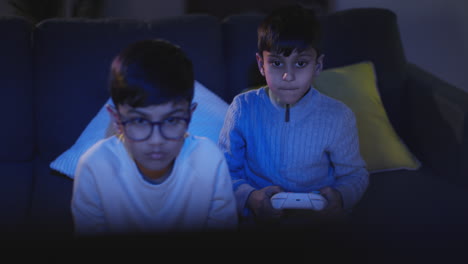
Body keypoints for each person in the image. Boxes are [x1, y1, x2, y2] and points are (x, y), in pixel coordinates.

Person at [218, 5, 369, 227]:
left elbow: (355, 175)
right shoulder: (243, 109)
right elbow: (224, 170)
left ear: (317, 66)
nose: (288, 76)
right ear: (261, 64)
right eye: (277, 63)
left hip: (318, 222)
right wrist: (250, 198)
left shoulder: (338, 116)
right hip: (259, 218)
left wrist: (340, 197)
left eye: (301, 63)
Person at [72, 39, 237, 235]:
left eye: (171, 120)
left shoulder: (209, 160)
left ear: (190, 115)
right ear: (117, 120)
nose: (156, 140)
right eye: (140, 121)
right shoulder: (95, 166)